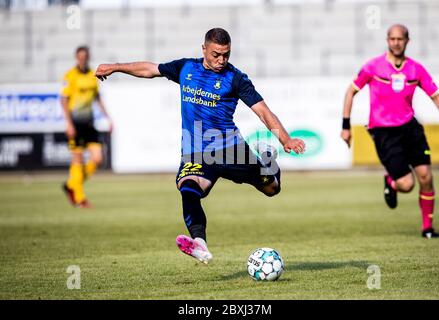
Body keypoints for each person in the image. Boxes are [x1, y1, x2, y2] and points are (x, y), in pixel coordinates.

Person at [95, 28, 305, 263]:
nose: (221, 60)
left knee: (271, 189)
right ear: (204, 49)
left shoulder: (235, 78)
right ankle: (199, 244)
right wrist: (115, 66)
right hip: (195, 152)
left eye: (226, 55)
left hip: (231, 149)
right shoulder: (186, 68)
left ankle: (268, 164)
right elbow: (149, 69)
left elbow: (262, 111)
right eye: (216, 54)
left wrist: (285, 140)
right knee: (188, 187)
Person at [341, 24, 439, 239]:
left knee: (426, 176)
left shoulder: (415, 69)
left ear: (408, 40)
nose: (396, 43)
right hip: (384, 132)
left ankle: (427, 228)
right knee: (407, 184)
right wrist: (345, 126)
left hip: (410, 128)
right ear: (387, 40)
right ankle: (391, 182)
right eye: (392, 39)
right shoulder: (373, 67)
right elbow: (350, 92)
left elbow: (434, 94)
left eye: (400, 39)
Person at [61, 46, 113, 208]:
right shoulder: (70, 76)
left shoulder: (92, 75)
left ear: (88, 57)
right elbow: (63, 100)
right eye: (80, 57)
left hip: (89, 123)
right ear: (77, 58)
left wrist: (108, 117)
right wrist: (68, 123)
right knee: (77, 159)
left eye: (85, 56)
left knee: (97, 158)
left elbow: (97, 98)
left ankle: (71, 184)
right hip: (75, 123)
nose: (83, 59)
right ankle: (79, 197)